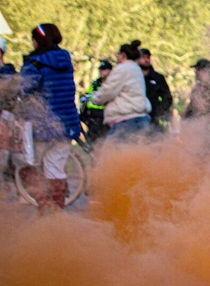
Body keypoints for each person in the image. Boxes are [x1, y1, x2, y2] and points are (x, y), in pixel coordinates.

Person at [17, 23, 80, 212]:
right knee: (55, 169)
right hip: (66, 124)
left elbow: (22, 88)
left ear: (37, 40)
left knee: (26, 165)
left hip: (41, 126)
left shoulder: (34, 64)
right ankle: (56, 215)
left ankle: (44, 207)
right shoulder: (65, 61)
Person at [91, 40, 152, 140]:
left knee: (112, 153)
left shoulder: (122, 69)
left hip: (126, 120)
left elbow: (107, 91)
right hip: (140, 117)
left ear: (122, 55)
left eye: (117, 54)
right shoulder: (136, 69)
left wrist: (94, 98)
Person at [138, 47, 173, 132]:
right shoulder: (133, 77)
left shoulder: (157, 77)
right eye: (143, 57)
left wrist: (160, 110)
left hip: (154, 119)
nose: (146, 60)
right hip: (136, 116)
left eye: (148, 57)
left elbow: (167, 96)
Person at [79, 60, 113, 141]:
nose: (101, 72)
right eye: (100, 69)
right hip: (93, 116)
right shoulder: (95, 84)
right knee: (92, 140)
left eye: (104, 69)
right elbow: (86, 97)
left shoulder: (113, 84)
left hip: (107, 116)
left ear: (110, 71)